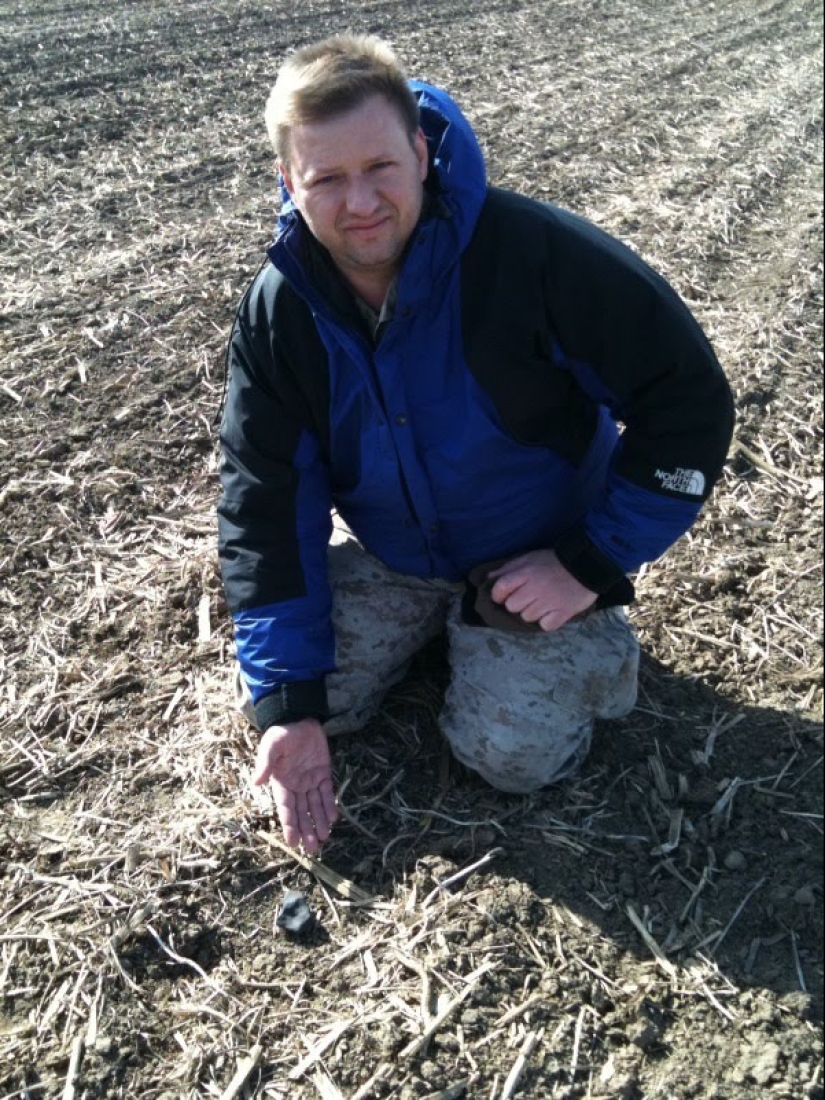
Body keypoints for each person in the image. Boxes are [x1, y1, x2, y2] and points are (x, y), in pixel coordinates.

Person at [218, 35, 734, 853]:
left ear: (421, 154)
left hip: (539, 552)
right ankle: (447, 621)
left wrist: (587, 562)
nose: (360, 203)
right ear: (289, 182)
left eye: (380, 166)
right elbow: (265, 504)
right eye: (326, 179)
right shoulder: (281, 313)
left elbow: (687, 402)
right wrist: (285, 704)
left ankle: (587, 642)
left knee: (510, 758)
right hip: (399, 555)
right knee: (308, 703)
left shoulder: (532, 256)